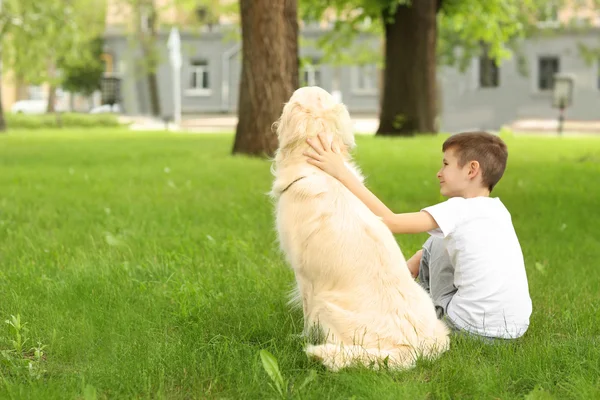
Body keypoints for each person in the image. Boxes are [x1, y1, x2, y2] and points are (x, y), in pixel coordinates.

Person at [304, 131, 532, 339]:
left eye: (445, 164)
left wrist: (340, 172)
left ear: (471, 170)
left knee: (436, 243)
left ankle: (395, 298)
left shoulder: (458, 209)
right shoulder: (498, 211)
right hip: (514, 330)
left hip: (467, 328)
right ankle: (397, 284)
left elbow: (390, 222)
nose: (439, 173)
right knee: (438, 240)